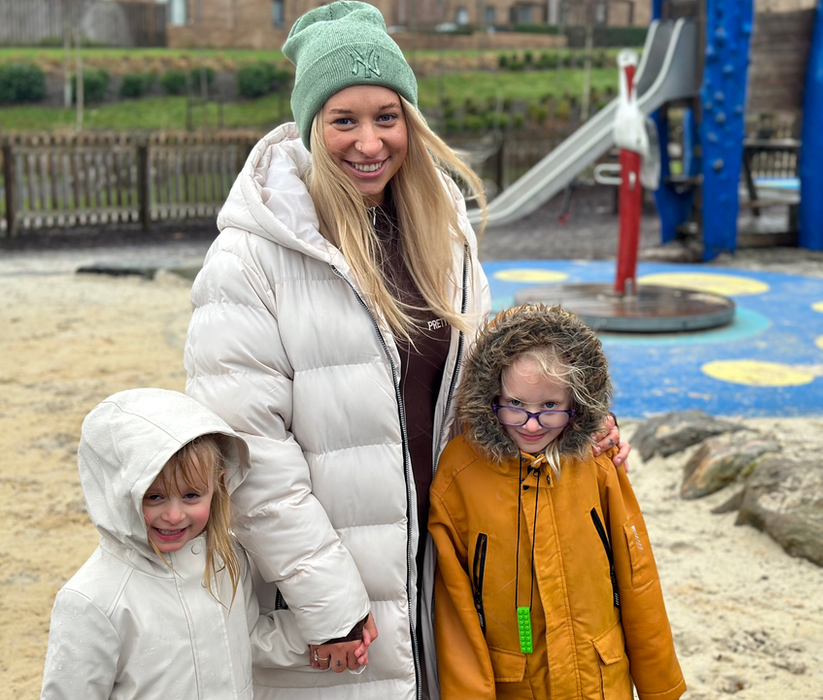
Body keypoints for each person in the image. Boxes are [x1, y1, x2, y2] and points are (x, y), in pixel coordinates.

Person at [182, 3, 628, 698]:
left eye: (386, 116)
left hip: (445, 559)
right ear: (310, 126)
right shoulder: (250, 260)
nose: (369, 141)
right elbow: (248, 451)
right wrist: (328, 602)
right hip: (336, 591)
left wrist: (575, 422)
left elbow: (484, 378)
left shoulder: (439, 228)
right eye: (344, 120)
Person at [428, 304, 685, 699]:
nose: (531, 424)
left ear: (576, 403)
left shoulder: (596, 463)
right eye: (515, 404)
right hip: (517, 683)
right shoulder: (460, 474)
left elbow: (637, 575)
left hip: (600, 680)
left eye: (549, 407)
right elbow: (454, 605)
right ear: (492, 393)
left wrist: (659, 685)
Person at [40, 388, 312, 700]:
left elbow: (247, 638)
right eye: (153, 496)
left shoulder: (226, 560)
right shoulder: (93, 600)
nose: (173, 515)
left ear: (218, 485)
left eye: (191, 495)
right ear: (118, 493)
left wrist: (323, 637)